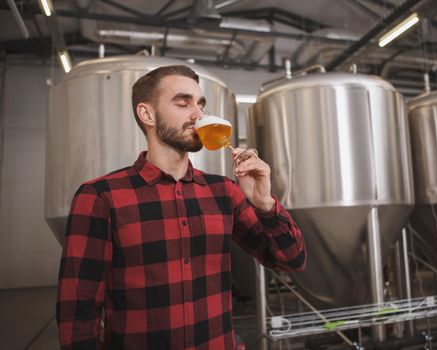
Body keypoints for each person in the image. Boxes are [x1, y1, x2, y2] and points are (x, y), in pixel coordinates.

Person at [56, 65, 306, 350]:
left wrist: (265, 204)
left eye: (200, 104)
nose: (198, 114)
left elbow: (292, 260)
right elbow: (78, 311)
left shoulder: (224, 192)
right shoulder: (101, 197)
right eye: (183, 102)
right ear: (147, 114)